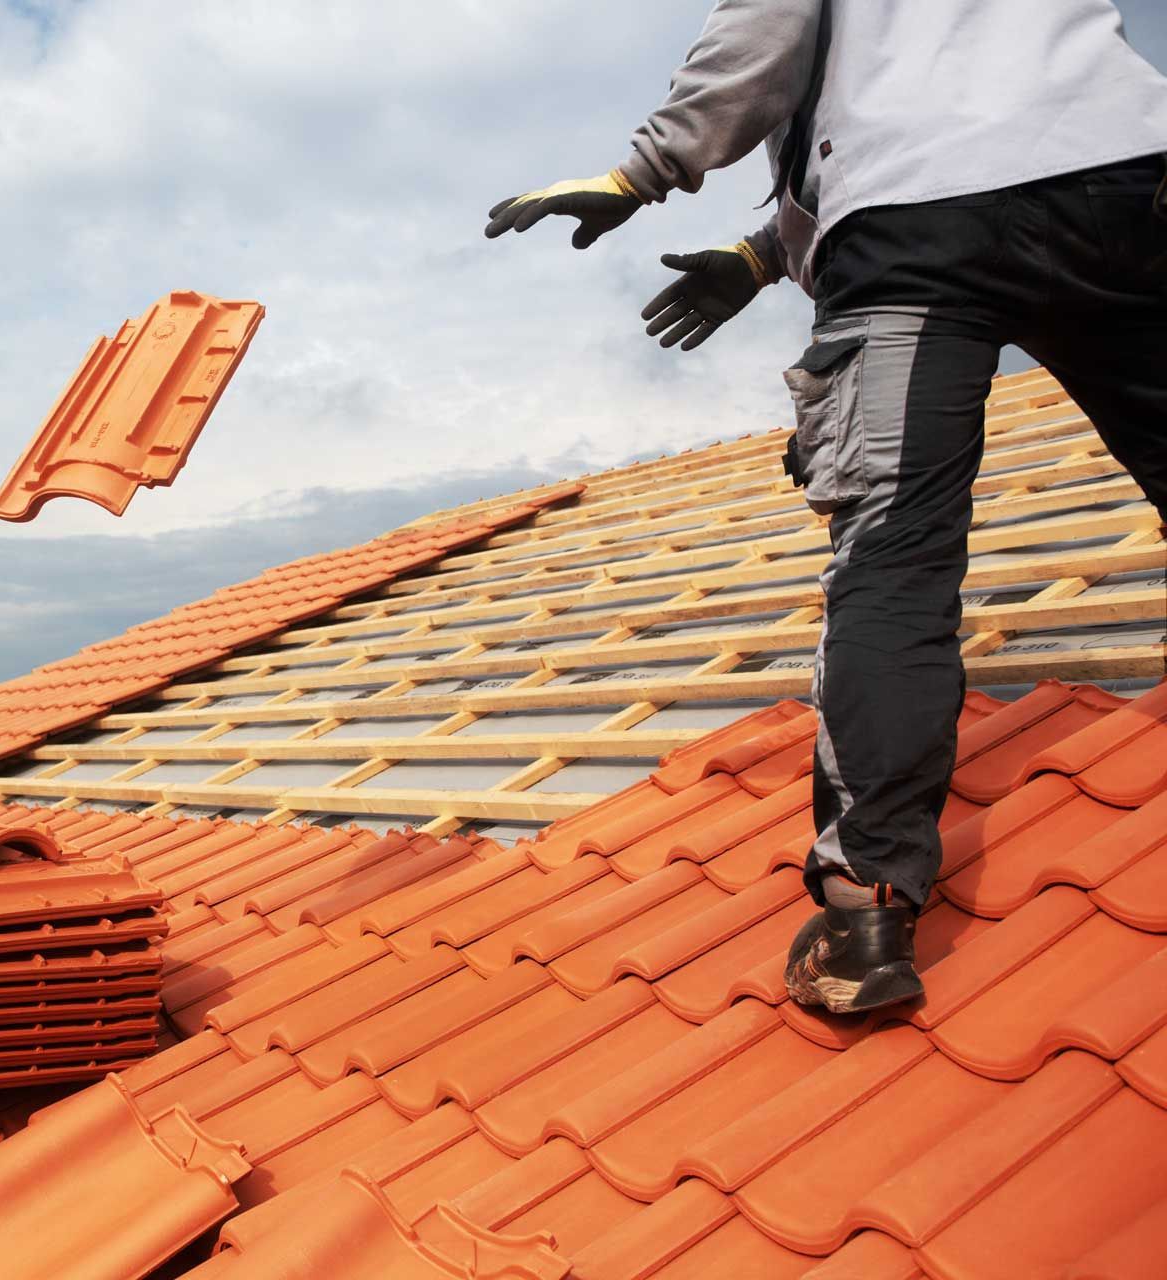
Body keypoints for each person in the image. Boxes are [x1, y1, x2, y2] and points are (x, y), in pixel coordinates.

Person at [485, 0, 1167, 1012]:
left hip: (916, 241)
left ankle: (865, 910)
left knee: (894, 559)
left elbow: (781, 38)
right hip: (1123, 181)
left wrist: (648, 167)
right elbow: (966, 98)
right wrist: (761, 255)